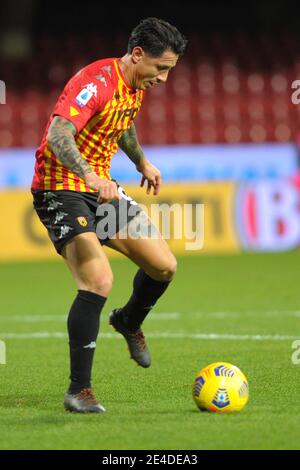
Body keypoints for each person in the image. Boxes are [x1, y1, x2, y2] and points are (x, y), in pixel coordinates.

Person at [31, 17, 187, 413]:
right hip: (61, 188)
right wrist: (88, 174)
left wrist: (141, 162)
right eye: (161, 68)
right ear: (137, 55)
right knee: (98, 279)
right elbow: (58, 134)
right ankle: (79, 391)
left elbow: (123, 124)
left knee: (164, 266)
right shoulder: (94, 83)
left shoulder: (135, 83)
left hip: (101, 191)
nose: (164, 79)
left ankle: (129, 321)